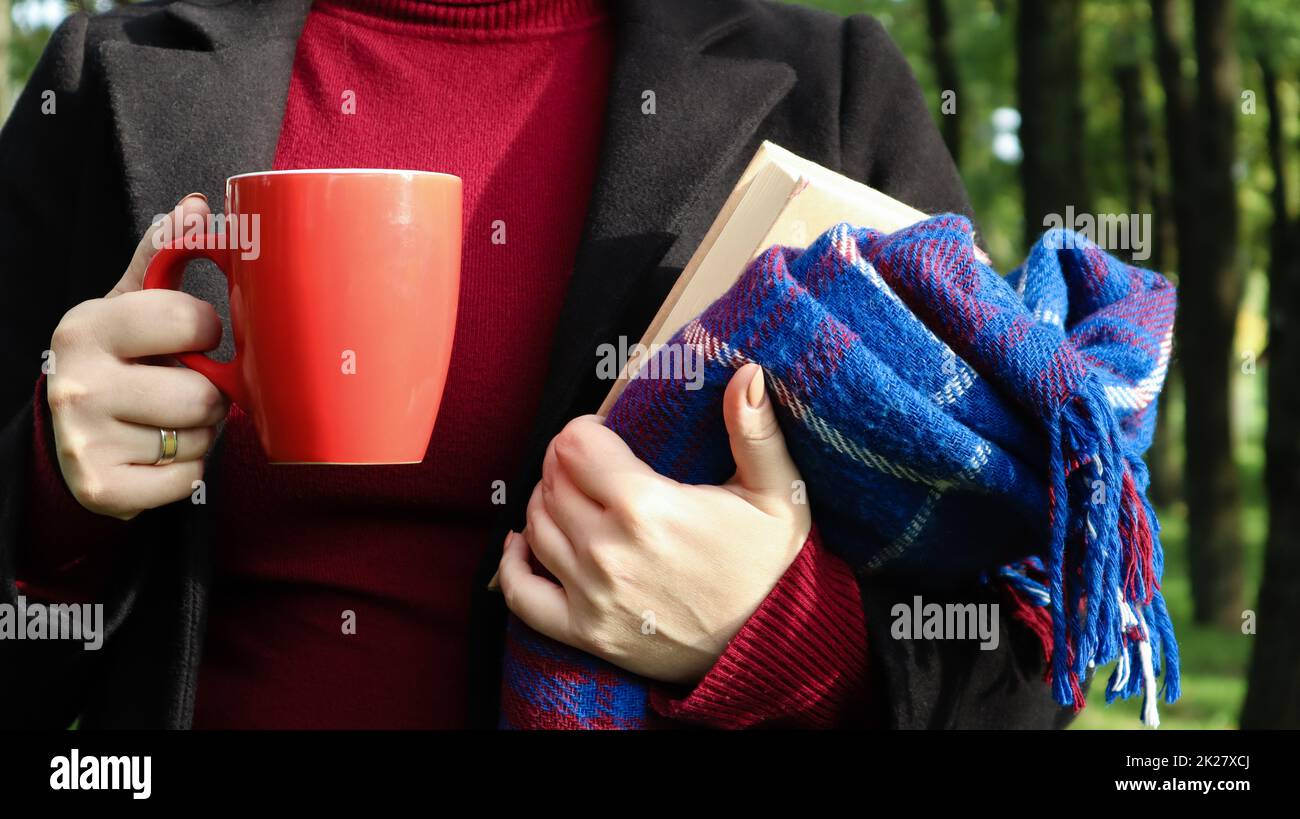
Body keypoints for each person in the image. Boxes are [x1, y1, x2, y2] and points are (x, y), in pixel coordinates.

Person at [0, 0, 1070, 729]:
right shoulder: (108, 77)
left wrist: (780, 638)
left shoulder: (831, 94)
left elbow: (1020, 669)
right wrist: (50, 504)